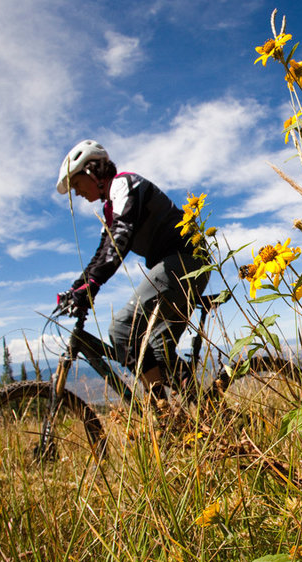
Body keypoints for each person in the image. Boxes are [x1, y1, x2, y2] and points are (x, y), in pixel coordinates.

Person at [56, 140, 209, 399]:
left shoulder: (124, 184)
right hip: (178, 268)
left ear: (92, 172)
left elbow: (121, 236)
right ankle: (209, 411)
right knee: (161, 355)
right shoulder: (109, 208)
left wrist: (92, 285)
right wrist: (76, 287)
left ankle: (162, 417)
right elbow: (102, 253)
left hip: (185, 260)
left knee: (122, 328)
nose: (76, 193)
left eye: (76, 183)